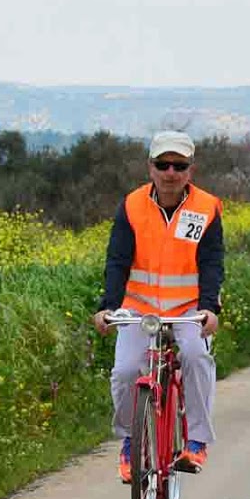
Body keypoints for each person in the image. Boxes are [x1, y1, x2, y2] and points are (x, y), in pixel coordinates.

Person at [93, 130, 223, 481]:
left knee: (196, 357)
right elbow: (117, 260)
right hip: (140, 307)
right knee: (124, 372)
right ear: (150, 168)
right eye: (163, 164)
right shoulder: (132, 205)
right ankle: (129, 442)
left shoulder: (206, 208)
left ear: (190, 171)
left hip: (188, 307)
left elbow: (212, 263)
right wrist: (108, 306)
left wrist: (210, 307)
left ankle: (196, 441)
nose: (170, 172)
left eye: (178, 165)